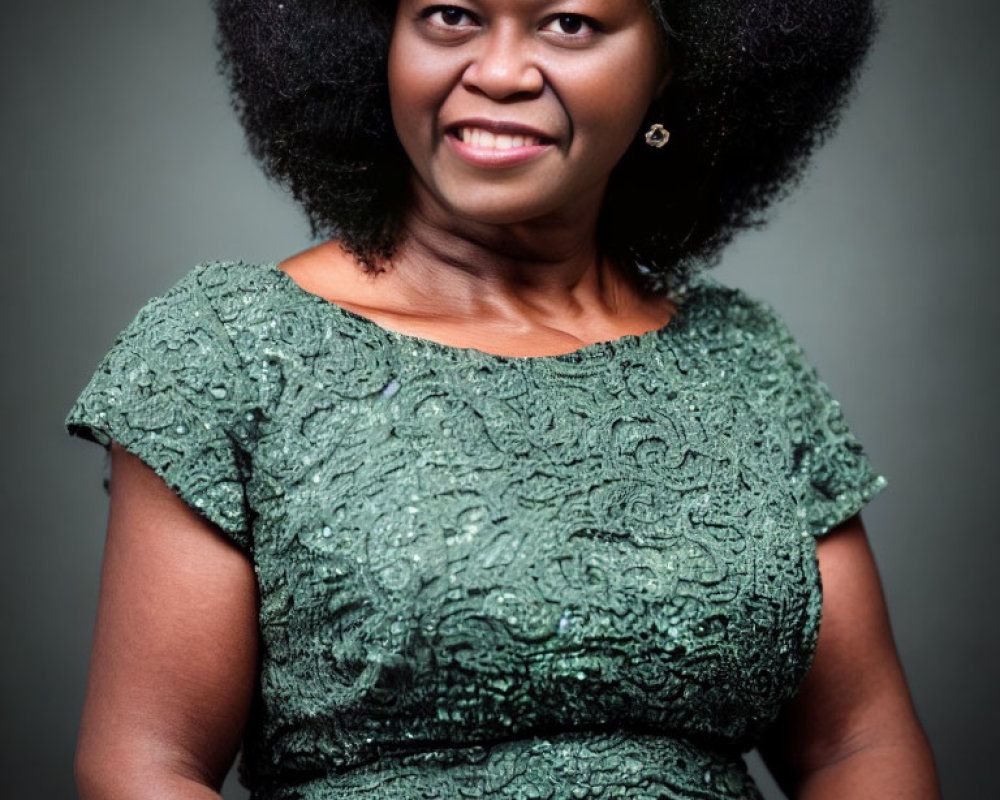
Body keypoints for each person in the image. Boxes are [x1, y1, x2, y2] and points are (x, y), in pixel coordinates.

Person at [67, 1, 940, 798]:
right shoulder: (233, 346)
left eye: (568, 24)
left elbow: (857, 745)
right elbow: (144, 765)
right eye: (451, 15)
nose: (499, 71)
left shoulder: (743, 360)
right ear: (377, 41)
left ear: (675, 66)